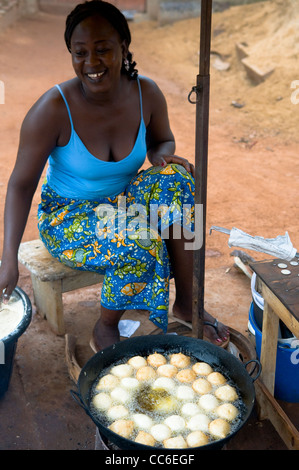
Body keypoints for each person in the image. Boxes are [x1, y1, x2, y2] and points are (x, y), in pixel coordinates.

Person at [0, 0, 229, 351]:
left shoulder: (145, 93)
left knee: (182, 183)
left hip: (124, 202)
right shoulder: (53, 109)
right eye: (80, 53)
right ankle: (106, 325)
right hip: (69, 216)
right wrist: (8, 259)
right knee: (139, 239)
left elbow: (163, 139)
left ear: (124, 47)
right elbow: (20, 185)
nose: (91, 63)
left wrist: (158, 153)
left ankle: (187, 300)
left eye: (103, 49)